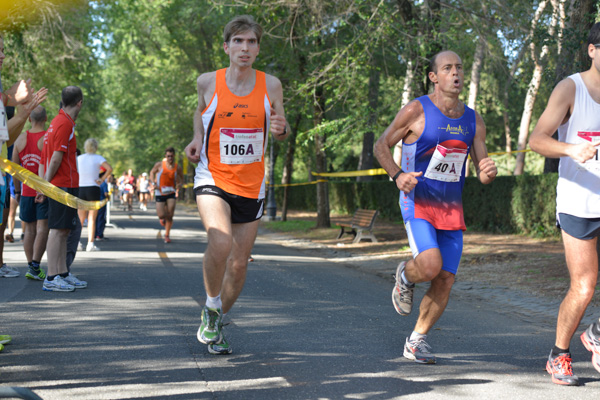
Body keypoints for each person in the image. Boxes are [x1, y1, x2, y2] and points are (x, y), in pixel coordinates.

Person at [374, 50, 497, 364]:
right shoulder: (417, 109)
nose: (455, 73)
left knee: (445, 278)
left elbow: (482, 167)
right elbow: (381, 145)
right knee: (429, 266)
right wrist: (397, 174)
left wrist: (486, 170)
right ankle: (405, 274)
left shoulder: (473, 119)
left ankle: (416, 341)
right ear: (434, 77)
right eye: (447, 68)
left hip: (451, 209)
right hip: (418, 203)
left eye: (459, 67)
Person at [185, 15, 289, 355]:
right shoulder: (207, 81)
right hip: (213, 175)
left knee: (240, 263)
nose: (245, 48)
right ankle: (212, 303)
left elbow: (281, 124)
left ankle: (215, 317)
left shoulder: (271, 85)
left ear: (258, 49)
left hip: (251, 183)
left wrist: (281, 128)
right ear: (227, 46)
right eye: (239, 41)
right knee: (220, 240)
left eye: (252, 42)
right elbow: (200, 111)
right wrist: (197, 138)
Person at [528, 23, 600, 386]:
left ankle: (598, 333)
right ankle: (559, 355)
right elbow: (536, 140)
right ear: (591, 49)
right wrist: (572, 148)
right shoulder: (570, 88)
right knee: (585, 285)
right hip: (578, 201)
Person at [39, 86, 87, 291]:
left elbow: (45, 156)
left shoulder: (57, 123)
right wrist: (45, 186)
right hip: (61, 185)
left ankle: (62, 272)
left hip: (66, 184)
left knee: (65, 230)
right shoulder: (64, 123)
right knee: (57, 231)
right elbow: (55, 158)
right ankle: (51, 277)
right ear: (80, 102)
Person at [11, 105, 49, 280]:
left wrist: (17, 191)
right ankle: (35, 266)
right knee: (43, 228)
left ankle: (30, 266)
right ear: (46, 119)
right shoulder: (48, 138)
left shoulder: (20, 139)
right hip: (44, 191)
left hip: (26, 192)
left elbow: (15, 170)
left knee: (30, 230)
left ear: (29, 119)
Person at [77, 138, 112, 252]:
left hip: (81, 188)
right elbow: (109, 169)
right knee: (92, 218)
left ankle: (77, 243)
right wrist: (101, 179)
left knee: (80, 218)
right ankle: (90, 244)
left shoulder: (79, 158)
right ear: (96, 147)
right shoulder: (98, 158)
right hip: (93, 188)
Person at [149, 147, 183, 243]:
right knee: (161, 215)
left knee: (170, 214)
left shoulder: (177, 167)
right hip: (160, 192)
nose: (170, 158)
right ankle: (162, 219)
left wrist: (179, 185)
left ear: (174, 156)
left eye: (172, 156)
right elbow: (152, 172)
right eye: (168, 156)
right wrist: (153, 183)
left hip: (171, 192)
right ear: (165, 156)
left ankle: (167, 235)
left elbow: (181, 178)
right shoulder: (160, 165)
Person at [95, 169, 110, 241]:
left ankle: (94, 234)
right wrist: (108, 197)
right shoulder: (103, 183)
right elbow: (106, 193)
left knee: (94, 218)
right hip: (102, 202)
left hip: (94, 202)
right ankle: (99, 234)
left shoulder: (95, 182)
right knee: (101, 218)